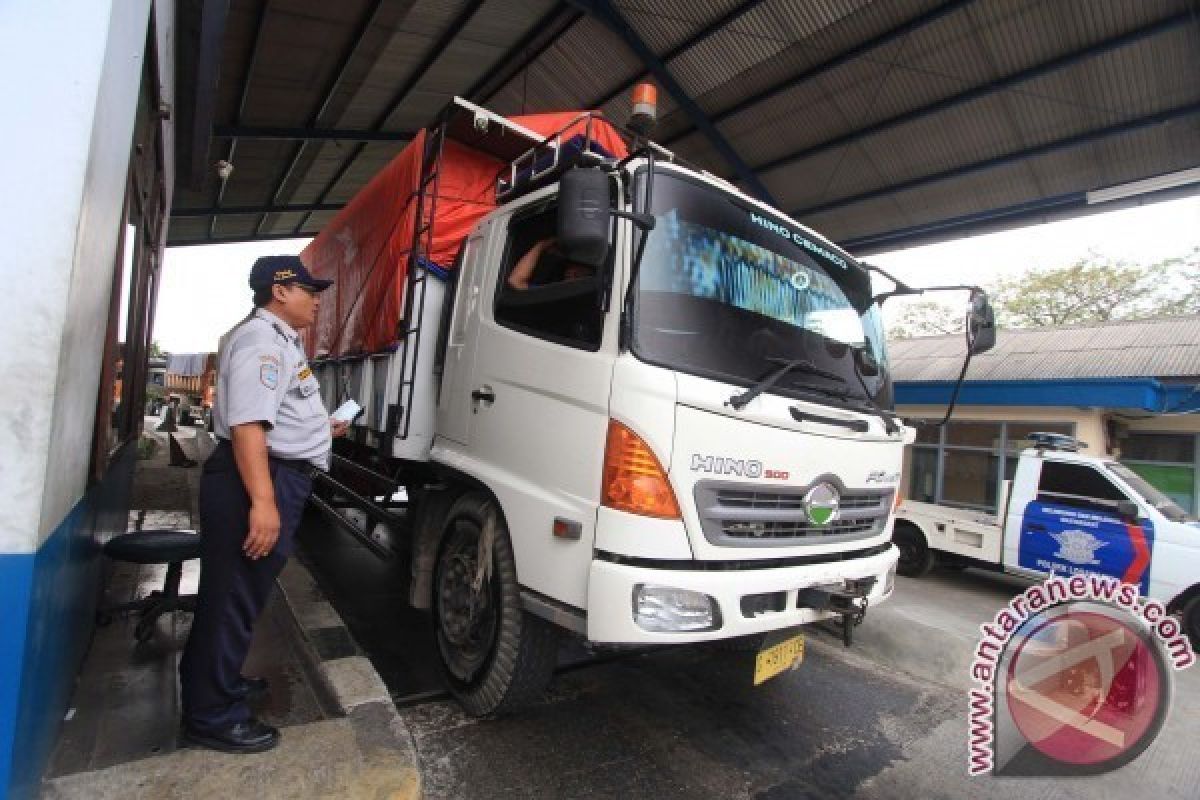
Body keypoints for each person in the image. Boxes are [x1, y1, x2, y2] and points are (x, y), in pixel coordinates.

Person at [179, 254, 349, 753]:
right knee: (231, 600)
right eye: (308, 289)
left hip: (264, 473)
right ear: (280, 290)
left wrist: (322, 427)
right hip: (257, 477)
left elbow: (274, 414)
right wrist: (264, 503)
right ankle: (211, 717)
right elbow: (248, 426)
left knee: (234, 597)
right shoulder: (262, 343)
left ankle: (217, 686)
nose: (316, 299)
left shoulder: (272, 340)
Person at [506, 237, 593, 289]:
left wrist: (541, 245)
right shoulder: (556, 288)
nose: (572, 273)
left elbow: (515, 281)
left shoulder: (561, 294)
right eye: (572, 267)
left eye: (579, 274)